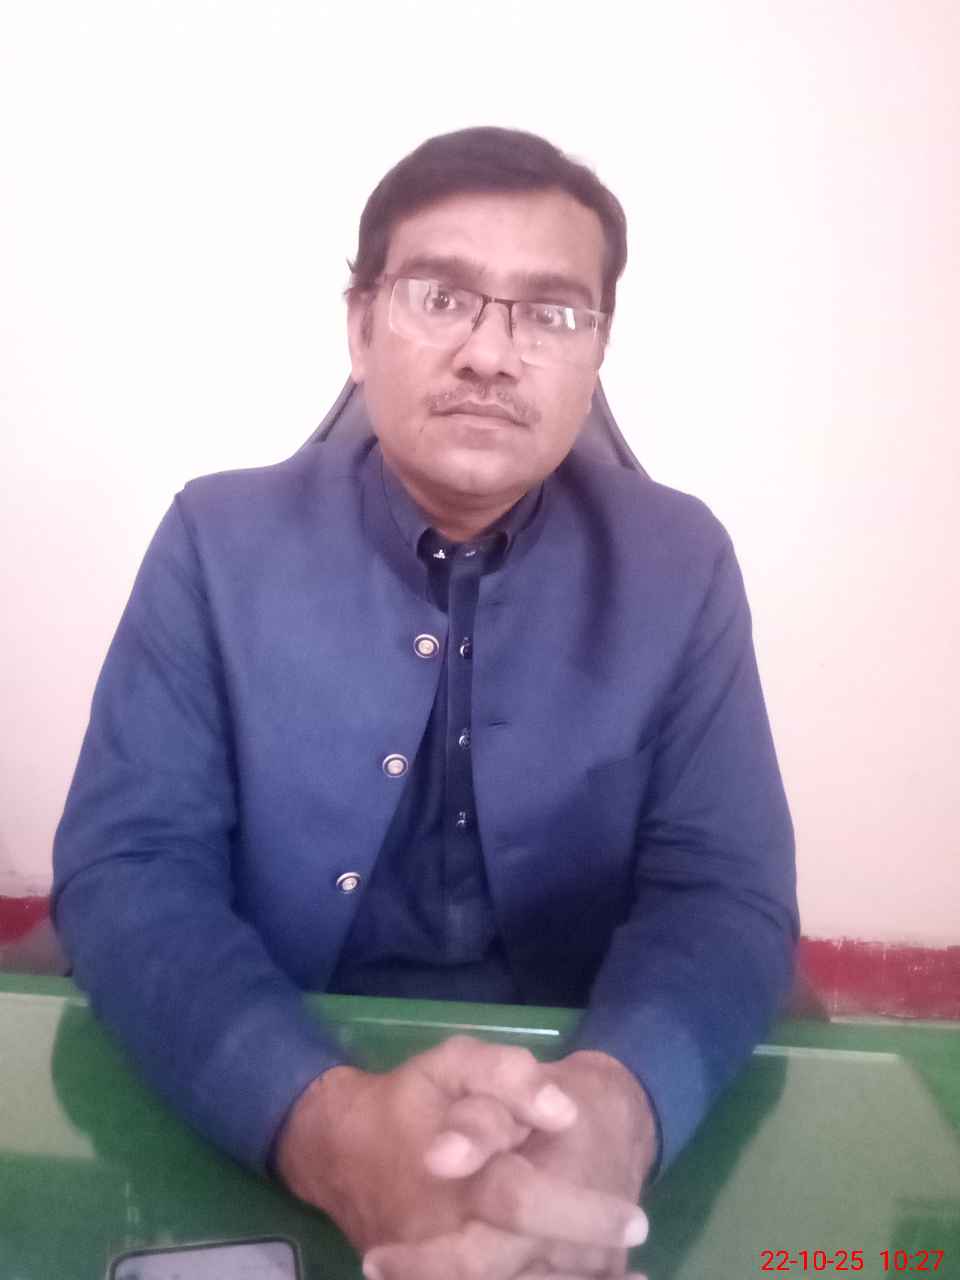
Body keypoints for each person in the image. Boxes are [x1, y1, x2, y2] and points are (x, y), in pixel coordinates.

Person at [52, 125, 798, 1280]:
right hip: (272, 1053)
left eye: (551, 312)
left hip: (569, 1073)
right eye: (442, 296)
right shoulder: (216, 540)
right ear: (359, 328)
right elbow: (131, 867)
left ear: (597, 352)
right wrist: (322, 1124)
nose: (491, 353)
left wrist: (617, 1109)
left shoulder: (680, 561)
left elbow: (724, 888)